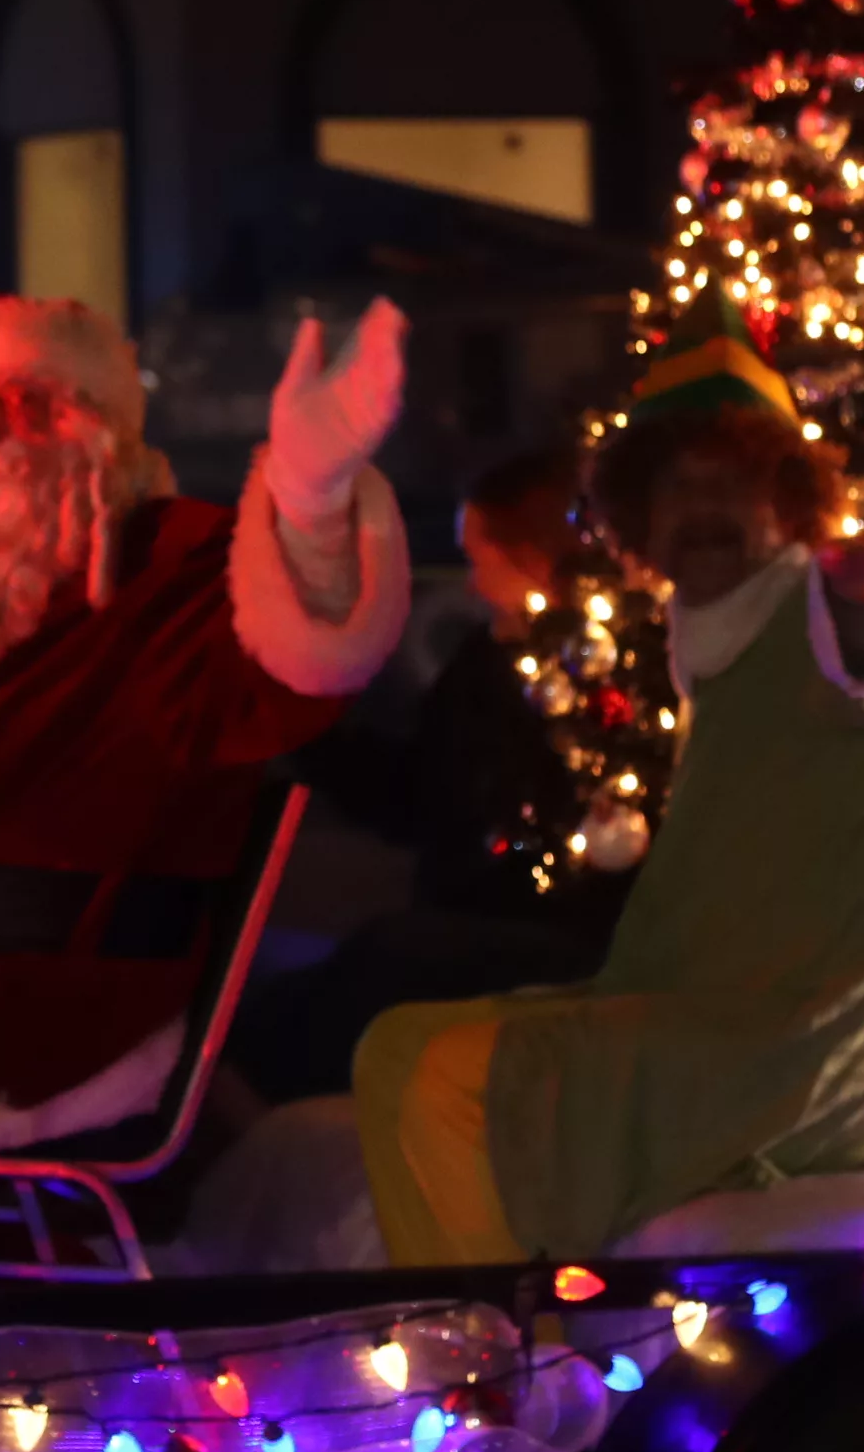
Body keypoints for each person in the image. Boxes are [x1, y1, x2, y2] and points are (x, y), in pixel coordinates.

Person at [0, 291, 413, 1180]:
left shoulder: (157, 573)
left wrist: (309, 506)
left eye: (21, 413)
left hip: (28, 1014)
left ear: (99, 438)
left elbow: (287, 663)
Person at [353, 309, 864, 1264]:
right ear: (638, 517)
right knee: (392, 1050)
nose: (703, 506)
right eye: (675, 486)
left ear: (790, 500)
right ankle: (473, 1339)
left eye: (736, 479)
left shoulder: (818, 612)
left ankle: (517, 1351)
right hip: (715, 1019)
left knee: (441, 1074)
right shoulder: (712, 644)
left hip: (801, 1061)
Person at [225, 447, 636, 1111]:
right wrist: (303, 729)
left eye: (480, 561)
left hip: (553, 938)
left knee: (376, 967)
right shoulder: (486, 663)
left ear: (533, 560)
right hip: (474, 921)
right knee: (280, 984)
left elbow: (476, 821)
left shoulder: (597, 691)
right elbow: (417, 794)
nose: (471, 586)